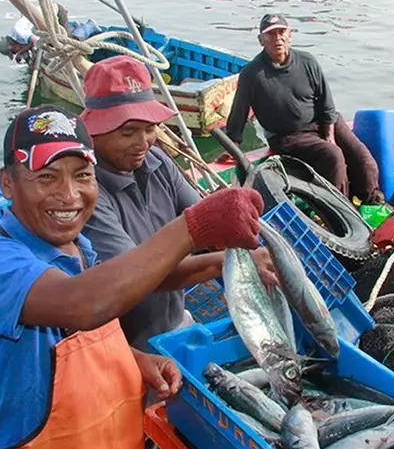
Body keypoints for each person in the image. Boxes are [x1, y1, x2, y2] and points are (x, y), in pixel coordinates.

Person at [0, 104, 265, 449]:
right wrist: (192, 228)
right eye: (46, 176)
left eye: (83, 175)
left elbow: (87, 328)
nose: (70, 195)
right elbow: (80, 304)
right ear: (7, 184)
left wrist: (133, 359)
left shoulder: (79, 249)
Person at [78, 56, 277, 357]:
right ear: (94, 132)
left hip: (175, 322)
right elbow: (132, 276)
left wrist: (251, 248)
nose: (142, 142)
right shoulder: (87, 192)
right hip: (127, 348)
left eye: (149, 128)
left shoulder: (157, 162)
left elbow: (208, 224)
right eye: (127, 132)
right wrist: (221, 262)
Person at [225, 13, 386, 205]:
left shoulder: (307, 61)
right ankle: (341, 211)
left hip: (323, 121)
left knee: (362, 158)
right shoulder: (252, 74)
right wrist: (232, 144)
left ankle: (372, 201)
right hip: (288, 136)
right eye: (270, 35)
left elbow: (327, 102)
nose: (277, 39)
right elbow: (239, 113)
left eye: (281, 32)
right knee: (333, 156)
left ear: (290, 35)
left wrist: (329, 133)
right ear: (261, 40)